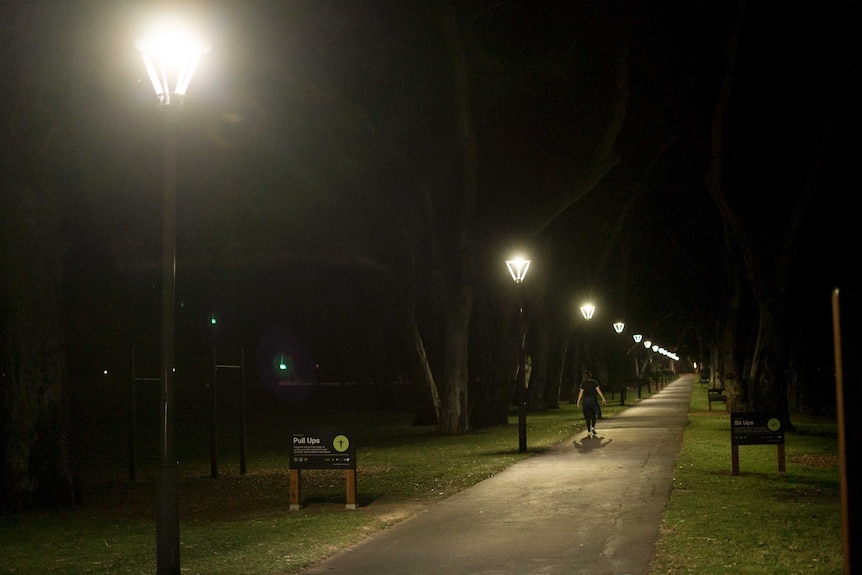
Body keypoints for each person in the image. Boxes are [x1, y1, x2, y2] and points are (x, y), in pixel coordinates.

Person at [576, 370, 607, 438]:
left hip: (586, 401)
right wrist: (603, 398)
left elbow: (581, 393)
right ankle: (593, 427)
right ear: (590, 376)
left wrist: (578, 401)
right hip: (593, 400)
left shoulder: (583, 384)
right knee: (593, 414)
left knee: (587, 416)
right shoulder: (594, 382)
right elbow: (598, 390)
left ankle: (589, 431)